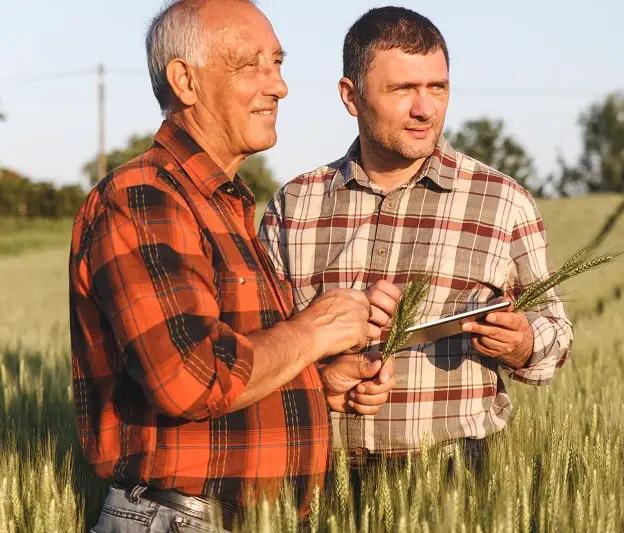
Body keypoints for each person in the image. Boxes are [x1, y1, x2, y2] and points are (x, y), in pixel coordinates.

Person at [69, 2, 399, 532]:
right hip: (179, 520)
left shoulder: (223, 204)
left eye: (278, 63)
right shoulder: (144, 198)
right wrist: (313, 332)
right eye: (252, 65)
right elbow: (190, 378)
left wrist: (313, 384)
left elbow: (235, 361)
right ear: (185, 81)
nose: (279, 87)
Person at [258, 6, 574, 480]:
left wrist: (523, 341)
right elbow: (258, 344)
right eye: (402, 89)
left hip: (454, 478)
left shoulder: (502, 201)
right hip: (316, 472)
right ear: (351, 96)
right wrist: (321, 379)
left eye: (437, 88)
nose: (425, 108)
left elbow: (557, 333)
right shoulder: (296, 204)